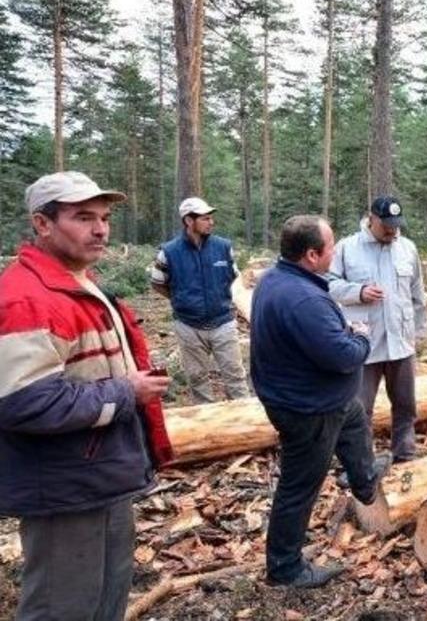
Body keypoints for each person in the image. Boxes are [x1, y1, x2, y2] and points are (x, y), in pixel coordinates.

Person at [0, 171, 173, 621]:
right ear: (42, 224)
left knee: (105, 600)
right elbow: (24, 402)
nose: (100, 229)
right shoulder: (27, 298)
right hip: (65, 485)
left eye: (104, 217)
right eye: (83, 217)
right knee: (62, 607)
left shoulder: (78, 282)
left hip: (103, 475)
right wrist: (127, 390)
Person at [250, 215, 387, 588]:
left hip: (323, 398)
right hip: (308, 409)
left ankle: (364, 479)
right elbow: (342, 355)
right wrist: (358, 335)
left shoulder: (278, 280)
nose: (335, 251)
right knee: (299, 485)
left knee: (356, 420)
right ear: (312, 254)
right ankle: (286, 569)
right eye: (330, 247)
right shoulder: (303, 298)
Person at [327, 196, 427, 464]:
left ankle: (405, 454)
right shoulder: (347, 248)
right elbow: (327, 283)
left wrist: (418, 331)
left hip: (401, 341)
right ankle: (360, 462)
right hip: (364, 344)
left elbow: (417, 293)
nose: (392, 230)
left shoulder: (407, 248)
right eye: (386, 225)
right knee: (360, 408)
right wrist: (357, 292)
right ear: (371, 219)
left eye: (396, 225)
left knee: (406, 405)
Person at [150, 197, 249, 403]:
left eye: (211, 218)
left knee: (235, 377)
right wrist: (179, 299)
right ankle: (207, 425)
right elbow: (157, 282)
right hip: (188, 325)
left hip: (223, 322)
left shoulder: (223, 247)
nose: (211, 222)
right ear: (188, 221)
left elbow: (232, 275)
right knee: (197, 379)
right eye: (205, 219)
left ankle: (243, 416)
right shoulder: (168, 252)